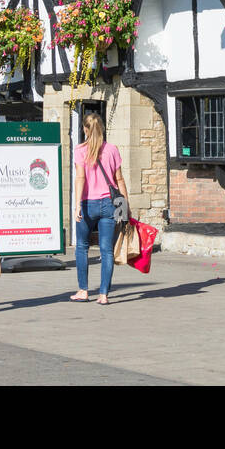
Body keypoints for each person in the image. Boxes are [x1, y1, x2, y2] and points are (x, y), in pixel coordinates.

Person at [71, 113, 129, 305]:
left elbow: (80, 178)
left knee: (81, 246)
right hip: (109, 205)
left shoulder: (80, 150)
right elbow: (119, 179)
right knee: (106, 250)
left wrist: (77, 203)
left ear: (85, 129)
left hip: (88, 203)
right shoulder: (112, 149)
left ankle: (83, 290)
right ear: (102, 128)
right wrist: (125, 205)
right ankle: (103, 294)